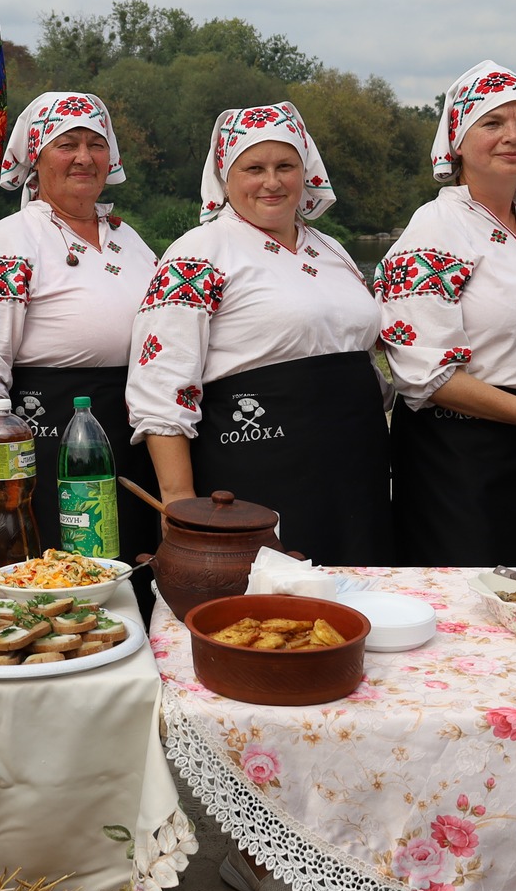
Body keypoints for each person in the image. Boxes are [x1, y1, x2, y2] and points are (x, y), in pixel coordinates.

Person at [126, 102, 390, 564]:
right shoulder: (199, 252)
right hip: (256, 465)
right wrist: (180, 503)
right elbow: (161, 386)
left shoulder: (331, 249)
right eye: (254, 168)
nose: (272, 181)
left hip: (354, 468)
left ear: (305, 171)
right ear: (226, 176)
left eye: (285, 166)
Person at [381, 61, 516, 566]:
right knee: (465, 603)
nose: (512, 136)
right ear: (458, 140)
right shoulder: (434, 233)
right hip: (460, 455)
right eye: (492, 123)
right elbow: (425, 374)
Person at [0, 91, 160, 559]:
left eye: (95, 144)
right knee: (51, 588)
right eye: (67, 144)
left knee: (131, 577)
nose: (84, 157)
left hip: (130, 442)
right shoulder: (10, 240)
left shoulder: (129, 239)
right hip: (41, 448)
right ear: (35, 159)